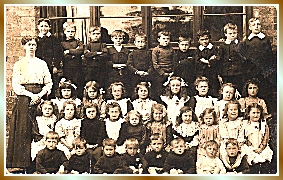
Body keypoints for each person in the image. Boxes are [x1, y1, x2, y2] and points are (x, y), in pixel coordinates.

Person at [7, 35, 53, 172]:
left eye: (33, 45)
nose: (31, 47)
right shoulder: (19, 64)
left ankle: (38, 163)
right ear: (24, 47)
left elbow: (48, 83)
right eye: (28, 45)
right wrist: (30, 95)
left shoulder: (42, 63)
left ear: (36, 47)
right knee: (24, 129)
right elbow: (16, 85)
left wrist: (39, 95)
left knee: (39, 127)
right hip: (24, 97)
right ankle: (21, 163)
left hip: (40, 95)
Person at [240, 17, 276, 90]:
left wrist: (268, 70)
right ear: (250, 27)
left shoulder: (265, 40)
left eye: (258, 24)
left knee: (263, 89)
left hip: (263, 71)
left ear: (260, 26)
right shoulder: (247, 41)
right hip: (251, 71)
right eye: (253, 25)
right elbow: (245, 56)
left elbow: (269, 56)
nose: (256, 26)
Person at [35, 18, 63, 98]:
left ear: (49, 27)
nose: (43, 28)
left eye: (46, 26)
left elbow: (58, 53)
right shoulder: (36, 40)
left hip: (50, 65)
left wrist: (55, 66)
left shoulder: (54, 39)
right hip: (39, 67)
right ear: (38, 27)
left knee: (52, 85)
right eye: (41, 26)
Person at [243, 103, 273, 174]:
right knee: (250, 158)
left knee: (263, 157)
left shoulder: (263, 124)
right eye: (253, 113)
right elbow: (244, 136)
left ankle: (262, 171)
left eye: (258, 113)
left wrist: (261, 147)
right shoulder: (245, 124)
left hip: (261, 146)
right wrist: (250, 146)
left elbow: (266, 137)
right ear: (248, 114)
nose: (256, 115)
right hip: (250, 147)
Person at [218, 23, 245, 91]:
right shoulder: (223, 46)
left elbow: (243, 58)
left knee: (238, 90)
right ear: (225, 34)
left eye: (234, 33)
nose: (233, 35)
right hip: (226, 73)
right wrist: (219, 74)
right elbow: (220, 60)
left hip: (238, 73)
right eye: (230, 33)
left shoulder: (240, 45)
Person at [60, 22, 84, 99]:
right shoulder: (62, 43)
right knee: (68, 87)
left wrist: (69, 51)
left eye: (72, 31)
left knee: (78, 87)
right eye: (68, 31)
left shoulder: (78, 42)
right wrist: (75, 52)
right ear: (64, 32)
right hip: (67, 68)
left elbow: (80, 50)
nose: (70, 33)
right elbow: (62, 55)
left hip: (78, 68)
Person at [194, 29, 220, 97]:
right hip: (202, 73)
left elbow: (217, 59)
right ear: (198, 40)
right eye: (202, 39)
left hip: (212, 73)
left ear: (210, 39)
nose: (205, 41)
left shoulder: (214, 49)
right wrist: (208, 61)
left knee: (213, 89)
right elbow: (197, 60)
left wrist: (205, 61)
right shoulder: (198, 50)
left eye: (206, 39)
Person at [151, 30, 176, 99]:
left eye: (167, 39)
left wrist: (172, 72)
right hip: (160, 74)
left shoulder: (171, 50)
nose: (166, 41)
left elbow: (174, 62)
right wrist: (162, 73)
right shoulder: (156, 50)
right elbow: (155, 64)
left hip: (170, 73)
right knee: (159, 91)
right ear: (158, 39)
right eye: (164, 39)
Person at [106, 30, 130, 94]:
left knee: (124, 88)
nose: (118, 40)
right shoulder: (109, 50)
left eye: (120, 38)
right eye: (116, 38)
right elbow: (106, 61)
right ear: (112, 39)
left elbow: (129, 60)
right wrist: (112, 65)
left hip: (124, 72)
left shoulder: (126, 50)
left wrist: (125, 65)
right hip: (112, 72)